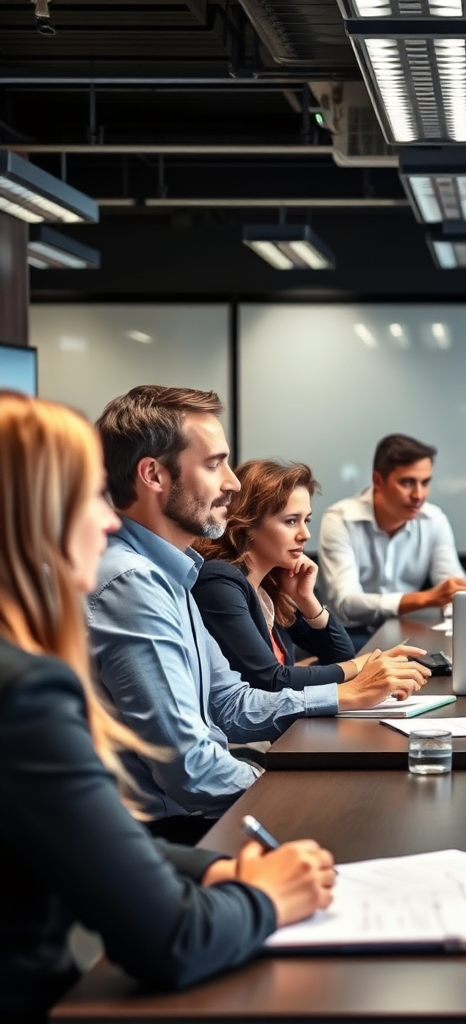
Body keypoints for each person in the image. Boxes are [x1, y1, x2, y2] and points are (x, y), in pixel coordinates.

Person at [0, 392, 335, 1024]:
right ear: (30, 516)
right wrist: (263, 894)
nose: (107, 523)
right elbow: (172, 942)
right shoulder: (26, 689)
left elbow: (89, 831)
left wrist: (218, 868)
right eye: (90, 497)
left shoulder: (173, 574)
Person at [88, 387, 428, 844]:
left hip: (189, 818)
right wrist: (299, 794)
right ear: (153, 475)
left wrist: (341, 696)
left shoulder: (172, 570)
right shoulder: (132, 583)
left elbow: (229, 704)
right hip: (163, 838)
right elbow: (191, 772)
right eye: (214, 464)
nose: (231, 482)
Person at [193, 458, 425, 691]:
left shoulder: (269, 587)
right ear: (247, 523)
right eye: (291, 521)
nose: (305, 534)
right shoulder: (219, 581)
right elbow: (271, 680)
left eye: (306, 520)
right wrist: (360, 666)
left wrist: (307, 600)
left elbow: (340, 654)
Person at [318, 433, 466, 637]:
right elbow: (345, 603)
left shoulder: (434, 519)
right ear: (378, 481)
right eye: (408, 483)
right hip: (346, 634)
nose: (419, 495)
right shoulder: (340, 520)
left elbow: (451, 588)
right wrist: (427, 598)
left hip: (404, 628)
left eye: (425, 482)